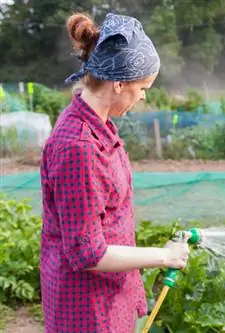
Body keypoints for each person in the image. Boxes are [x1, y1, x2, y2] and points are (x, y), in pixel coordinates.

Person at [39, 12, 190, 333]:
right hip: (88, 309)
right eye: (144, 87)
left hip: (109, 297)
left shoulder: (98, 127)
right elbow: (87, 253)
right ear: (119, 83)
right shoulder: (79, 146)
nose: (144, 95)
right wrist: (164, 257)